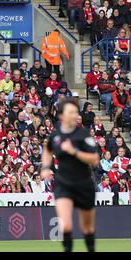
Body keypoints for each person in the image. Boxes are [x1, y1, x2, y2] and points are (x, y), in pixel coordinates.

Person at [42, 99, 100, 252]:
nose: (75, 115)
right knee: (66, 224)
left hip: (84, 184)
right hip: (63, 184)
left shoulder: (83, 135)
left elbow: (94, 159)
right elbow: (47, 150)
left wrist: (74, 151)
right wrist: (46, 167)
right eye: (71, 112)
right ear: (61, 115)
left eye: (76, 112)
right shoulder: (55, 136)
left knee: (86, 227)